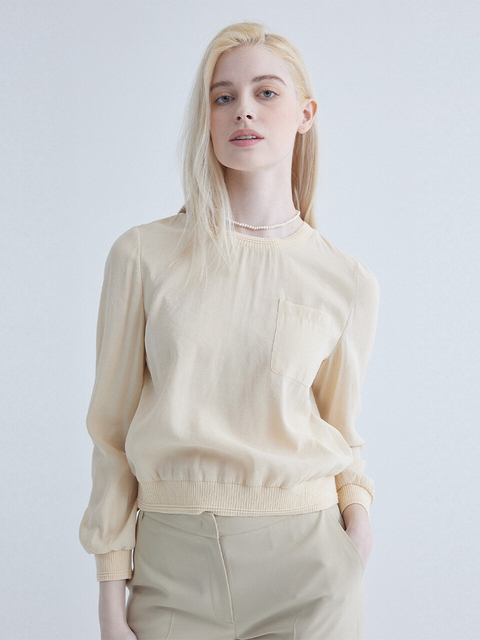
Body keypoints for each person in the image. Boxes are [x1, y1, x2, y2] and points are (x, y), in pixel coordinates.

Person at [79, 20, 380, 640]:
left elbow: (341, 429)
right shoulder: (143, 256)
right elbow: (110, 435)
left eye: (266, 92)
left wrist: (358, 523)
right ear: (207, 119)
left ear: (305, 114)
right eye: (223, 97)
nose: (243, 109)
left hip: (310, 565)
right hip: (172, 568)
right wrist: (110, 593)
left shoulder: (345, 280)